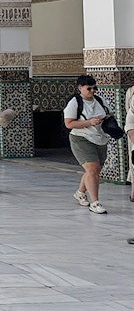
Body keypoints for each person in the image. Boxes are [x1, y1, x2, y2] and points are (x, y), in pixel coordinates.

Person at [63, 74, 113, 214]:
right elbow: (69, 123)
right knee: (92, 169)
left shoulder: (99, 100)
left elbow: (109, 113)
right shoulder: (75, 102)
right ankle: (95, 202)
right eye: (89, 88)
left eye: (94, 88)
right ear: (80, 88)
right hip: (81, 138)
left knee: (95, 170)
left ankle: (80, 192)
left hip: (99, 138)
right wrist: (89, 122)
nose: (92, 91)